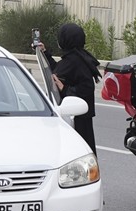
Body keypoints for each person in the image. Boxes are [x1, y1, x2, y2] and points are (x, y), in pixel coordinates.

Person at [39, 23, 101, 154]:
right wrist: (46, 54)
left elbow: (87, 88)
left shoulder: (73, 60)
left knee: (78, 154)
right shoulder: (78, 56)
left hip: (76, 118)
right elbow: (59, 71)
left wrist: (65, 89)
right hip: (81, 116)